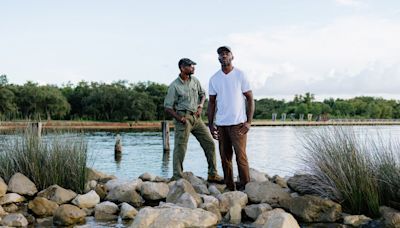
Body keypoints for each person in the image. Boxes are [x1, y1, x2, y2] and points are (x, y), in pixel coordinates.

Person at [164, 58, 224, 183]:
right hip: (183, 119)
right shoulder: (174, 86)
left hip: (197, 118)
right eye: (190, 66)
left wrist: (201, 106)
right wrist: (180, 118)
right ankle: (177, 176)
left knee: (210, 144)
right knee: (180, 148)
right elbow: (167, 107)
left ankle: (212, 174)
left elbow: (203, 94)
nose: (193, 68)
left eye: (193, 65)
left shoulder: (195, 81)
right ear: (182, 68)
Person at [207, 46, 255, 191]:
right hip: (221, 125)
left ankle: (246, 187)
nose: (224, 56)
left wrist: (249, 122)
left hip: (238, 124)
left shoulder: (240, 75)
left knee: (241, 157)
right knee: (225, 158)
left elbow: (250, 98)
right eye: (221, 54)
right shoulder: (214, 78)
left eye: (226, 53)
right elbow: (212, 103)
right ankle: (230, 187)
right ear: (218, 58)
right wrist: (210, 124)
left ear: (232, 57)